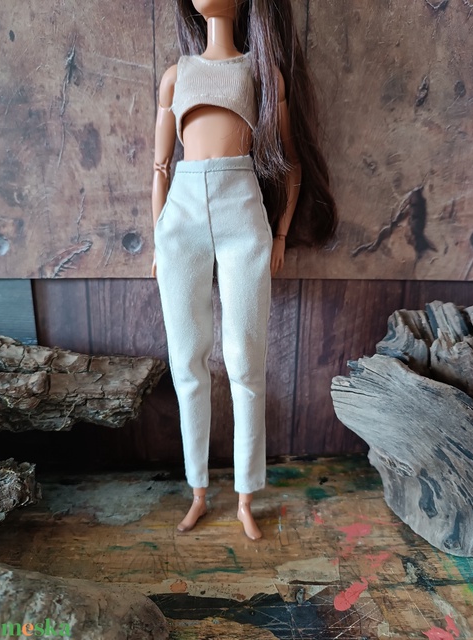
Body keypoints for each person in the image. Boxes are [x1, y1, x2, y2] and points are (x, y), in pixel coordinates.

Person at [151, 0, 337, 540]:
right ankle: (198, 491)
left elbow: (291, 161)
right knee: (186, 359)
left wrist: (280, 232)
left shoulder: (261, 71)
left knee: (245, 360)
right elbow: (160, 166)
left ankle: (245, 497)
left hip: (242, 212)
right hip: (181, 215)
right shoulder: (176, 75)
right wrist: (159, 236)